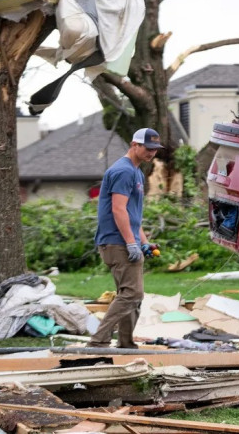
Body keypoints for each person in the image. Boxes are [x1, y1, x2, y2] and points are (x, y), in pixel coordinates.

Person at [88, 128, 163, 348]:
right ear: (134, 145)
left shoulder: (136, 171)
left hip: (124, 240)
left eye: (155, 150)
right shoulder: (123, 171)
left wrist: (144, 242)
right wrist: (131, 243)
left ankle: (125, 343)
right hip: (117, 242)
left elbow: (132, 216)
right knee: (132, 293)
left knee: (132, 295)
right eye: (147, 148)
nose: (151, 153)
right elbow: (118, 210)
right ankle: (99, 340)